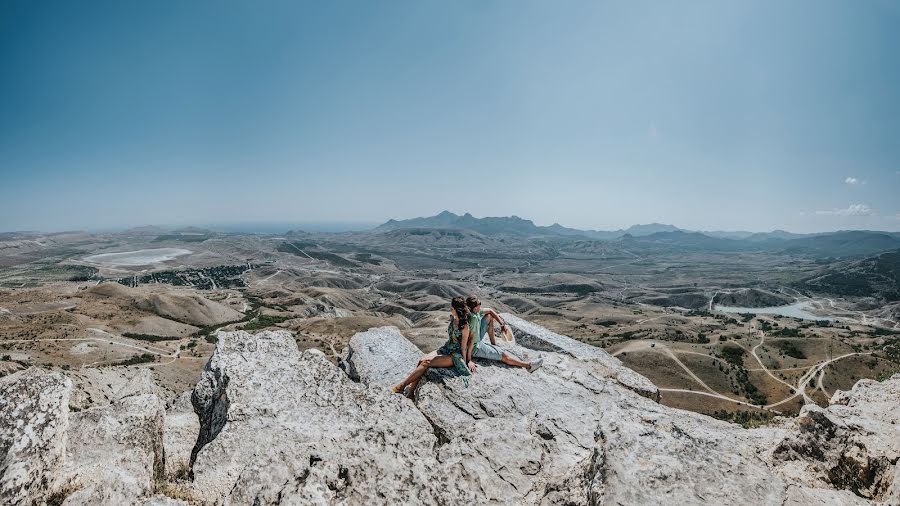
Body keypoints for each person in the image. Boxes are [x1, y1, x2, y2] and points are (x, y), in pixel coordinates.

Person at [392, 296, 474, 398]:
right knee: (421, 360)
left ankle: (402, 386)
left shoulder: (465, 326)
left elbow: (463, 347)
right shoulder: (453, 319)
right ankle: (411, 393)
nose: (450, 309)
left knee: (426, 362)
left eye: (452, 308)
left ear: (457, 309)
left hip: (454, 355)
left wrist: (466, 362)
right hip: (446, 348)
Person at [465, 295, 543, 373]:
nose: (481, 305)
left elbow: (490, 311)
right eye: (480, 304)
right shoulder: (473, 319)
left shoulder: (475, 312)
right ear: (475, 308)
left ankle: (494, 345)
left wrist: (502, 324)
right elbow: (470, 340)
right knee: (504, 356)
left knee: (489, 316)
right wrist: (469, 360)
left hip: (476, 339)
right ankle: (529, 366)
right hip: (475, 347)